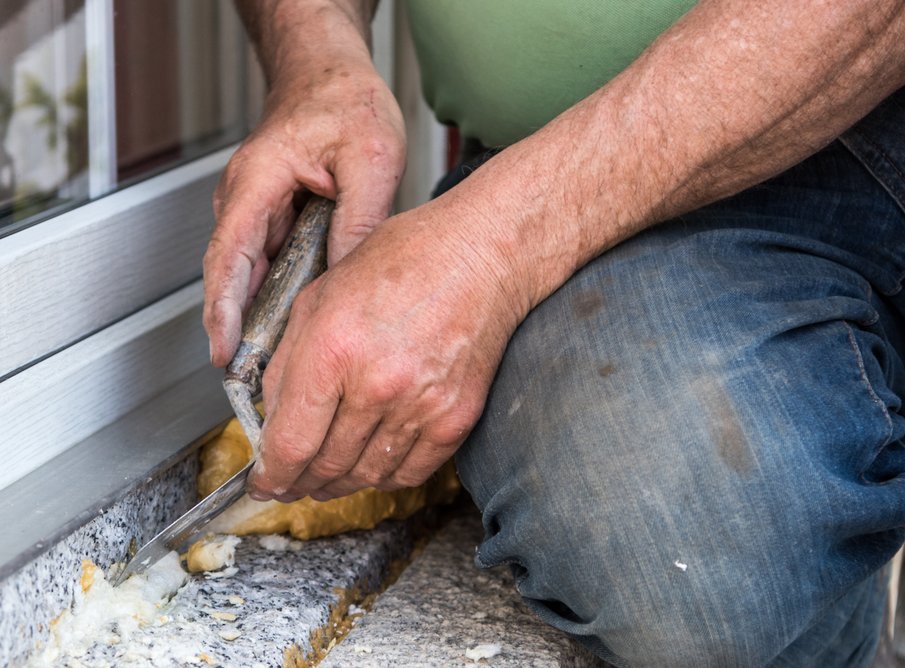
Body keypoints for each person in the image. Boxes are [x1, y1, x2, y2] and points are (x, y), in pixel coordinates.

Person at [202, 1, 905, 665]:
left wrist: (489, 250)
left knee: (706, 523)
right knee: (672, 528)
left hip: (857, 126)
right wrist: (317, 62)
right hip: (541, 155)